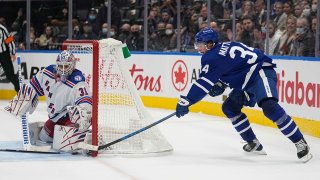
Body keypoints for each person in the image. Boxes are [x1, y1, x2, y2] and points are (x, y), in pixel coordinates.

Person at [175, 27, 312, 162]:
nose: (198, 48)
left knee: (269, 106)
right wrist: (222, 83)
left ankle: (299, 141)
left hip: (260, 72)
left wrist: (187, 101)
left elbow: (203, 83)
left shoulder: (211, 57)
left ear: (210, 44)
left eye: (200, 45)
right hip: (247, 79)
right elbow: (235, 66)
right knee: (229, 107)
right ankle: (253, 143)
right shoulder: (225, 46)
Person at [6, 50, 92, 150]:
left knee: (66, 144)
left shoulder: (77, 80)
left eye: (66, 66)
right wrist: (23, 97)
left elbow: (85, 101)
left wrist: (84, 114)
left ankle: (86, 136)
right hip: (55, 118)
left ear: (72, 66)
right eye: (60, 66)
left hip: (68, 117)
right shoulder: (47, 72)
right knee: (43, 138)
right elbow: (32, 87)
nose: (63, 70)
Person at [0, 22, 20, 92]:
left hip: (3, 54)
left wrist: (13, 53)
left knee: (10, 75)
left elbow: (10, 40)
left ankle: (19, 90)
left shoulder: (2, 29)